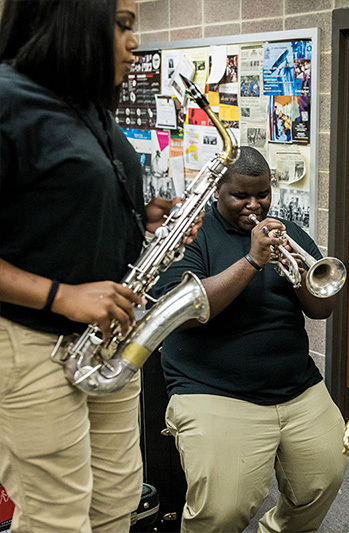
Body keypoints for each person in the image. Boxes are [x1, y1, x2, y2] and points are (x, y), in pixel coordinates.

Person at [0, 1, 188, 531]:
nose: (134, 43)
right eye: (123, 24)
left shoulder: (89, 106)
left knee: (117, 501)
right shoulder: (7, 98)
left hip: (105, 342)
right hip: (35, 343)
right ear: (72, 17)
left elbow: (59, 203)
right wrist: (63, 295)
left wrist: (138, 218)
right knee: (57, 517)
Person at [152, 146, 347, 533]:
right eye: (241, 195)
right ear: (217, 190)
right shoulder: (192, 236)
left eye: (263, 194)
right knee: (221, 512)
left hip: (296, 386)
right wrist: (252, 261)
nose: (254, 205)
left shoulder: (285, 233)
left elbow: (321, 310)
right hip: (212, 388)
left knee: (324, 479)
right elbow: (185, 313)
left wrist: (295, 269)